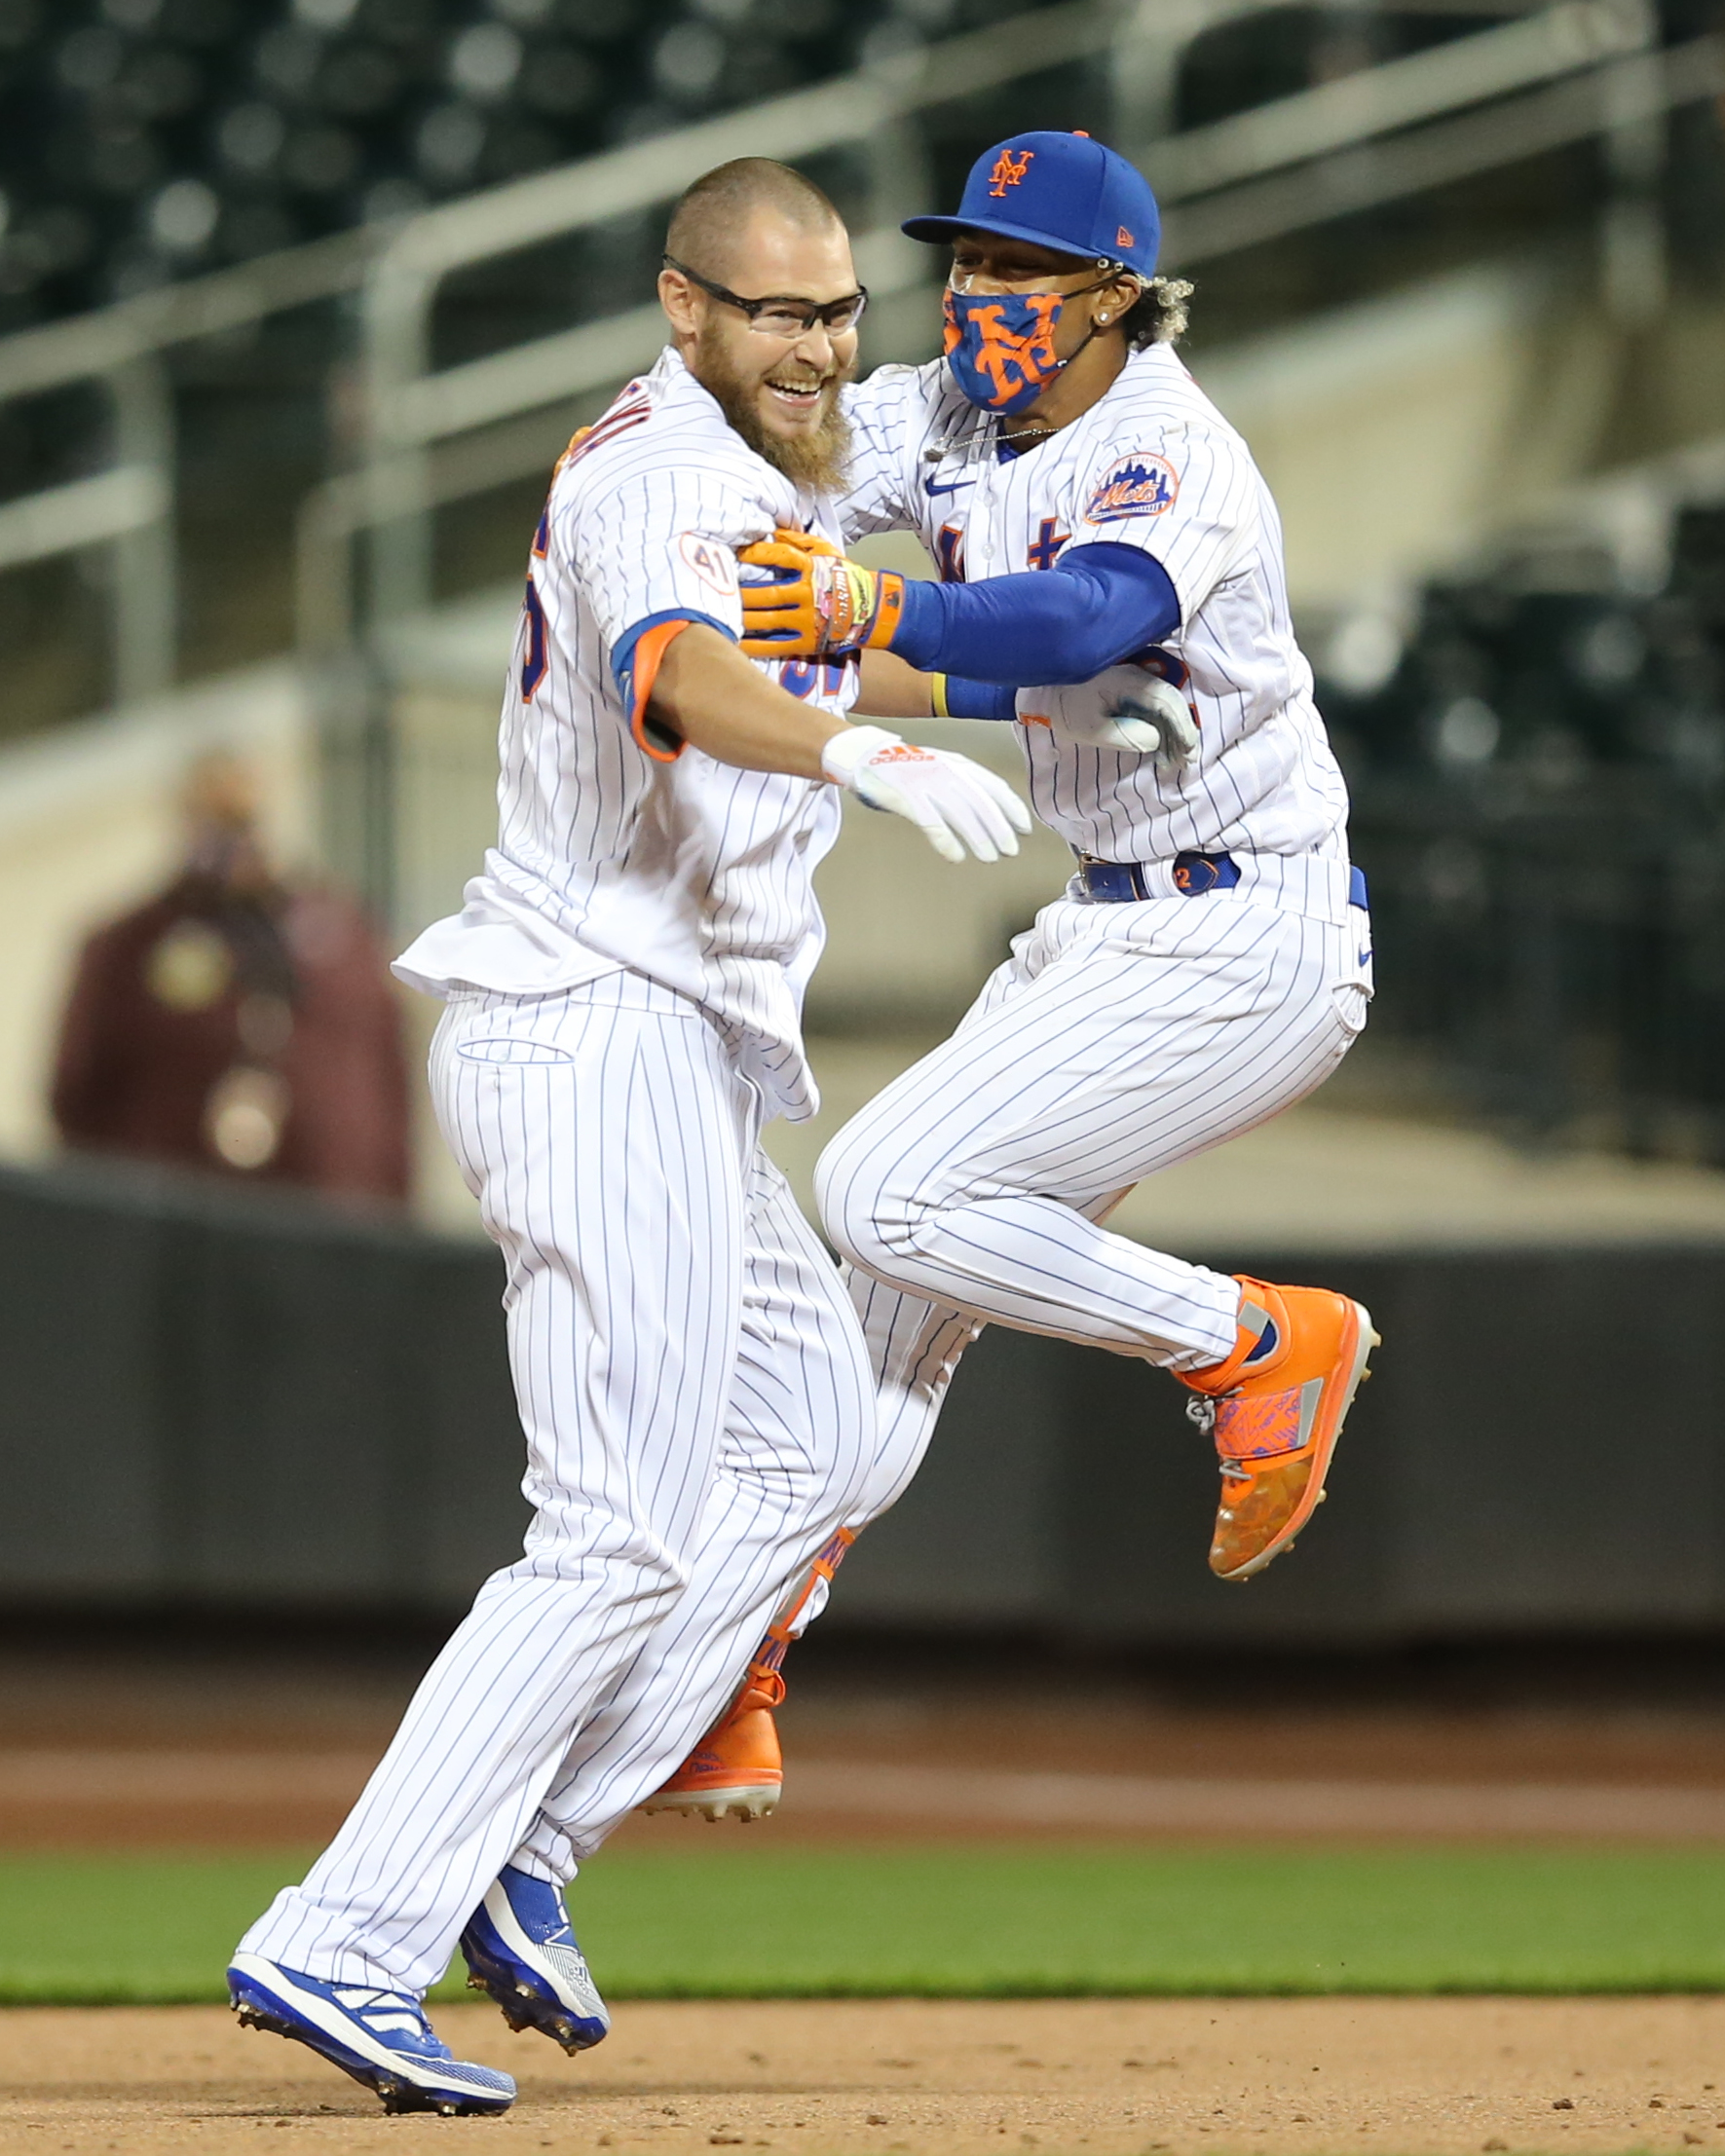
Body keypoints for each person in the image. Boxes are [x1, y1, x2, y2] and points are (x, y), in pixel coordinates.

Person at [223, 158, 1028, 2119]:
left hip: (678, 1051)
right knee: (611, 1532)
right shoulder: (652, 470)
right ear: (685, 312)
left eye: (836, 308)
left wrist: (1030, 675)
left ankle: (528, 1837)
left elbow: (913, 543)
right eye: (774, 311)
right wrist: (863, 749)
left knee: (821, 1434)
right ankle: (343, 1936)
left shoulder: (805, 448)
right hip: (589, 1024)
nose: (818, 344)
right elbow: (674, 676)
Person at [657, 131, 1379, 1820]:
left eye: (1018, 271)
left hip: (1246, 927)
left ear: (1115, 293)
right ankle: (727, 1663)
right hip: (1109, 917)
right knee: (879, 1332)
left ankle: (1256, 1337)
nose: (977, 296)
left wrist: (856, 606)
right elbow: (786, 444)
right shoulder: (958, 413)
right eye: (966, 261)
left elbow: (1076, 621)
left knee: (884, 1188)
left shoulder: (1169, 444)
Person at [51, 749, 409, 1204]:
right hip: (179, 1226)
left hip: (333, 1219)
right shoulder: (128, 947)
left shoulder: (345, 936)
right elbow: (77, 1100)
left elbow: (391, 1083)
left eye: (243, 819)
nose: (232, 840)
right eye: (214, 820)